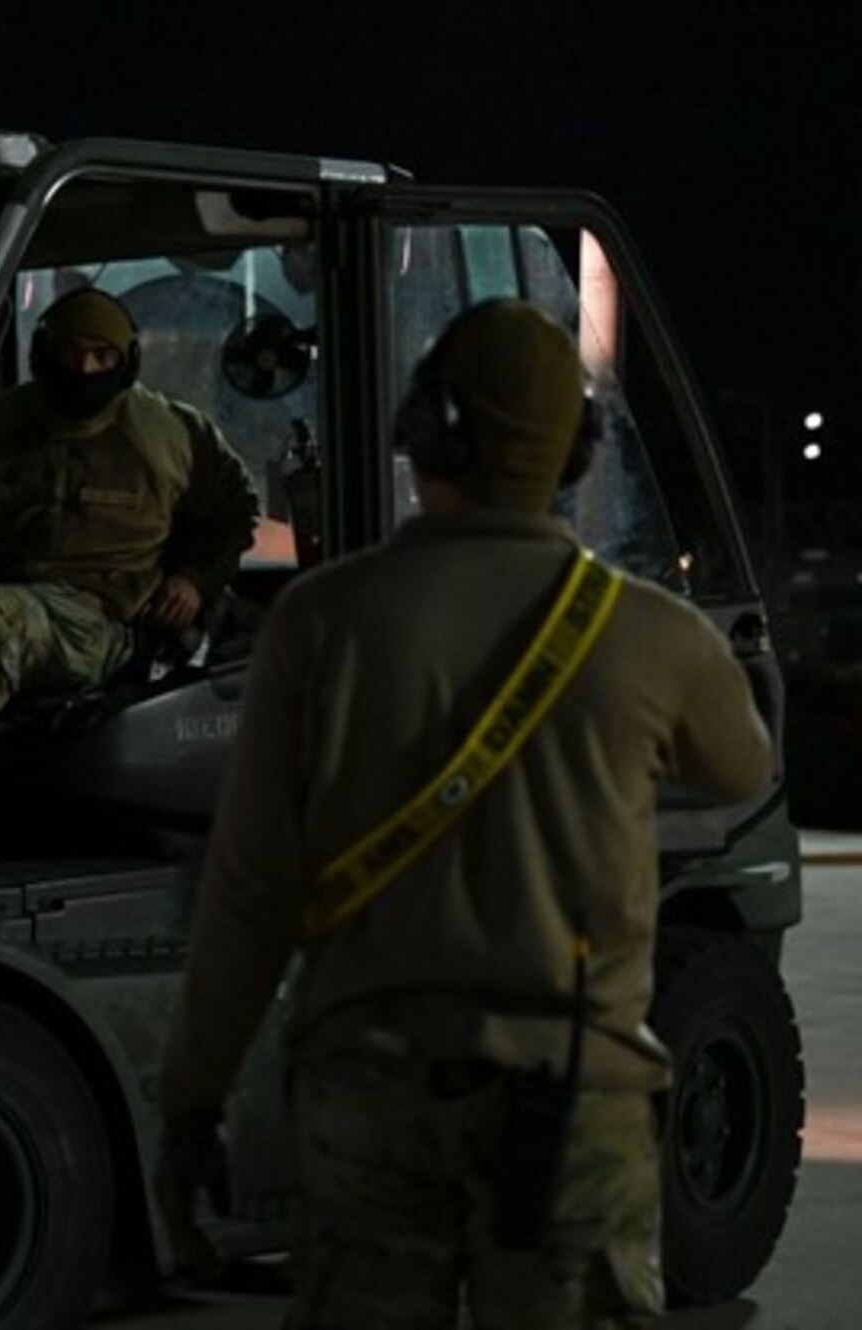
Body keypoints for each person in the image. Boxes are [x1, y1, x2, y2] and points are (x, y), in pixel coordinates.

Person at [154, 299, 773, 1328]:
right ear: (572, 453)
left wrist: (191, 1098)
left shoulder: (319, 620)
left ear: (425, 430)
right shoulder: (647, 634)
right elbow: (738, 768)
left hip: (369, 1100)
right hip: (571, 1100)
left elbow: (249, 888)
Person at [0, 286, 259, 808]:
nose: (84, 369)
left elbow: (234, 512)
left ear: (125, 361)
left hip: (105, 622)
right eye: (70, 353)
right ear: (44, 355)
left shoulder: (170, 435)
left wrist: (194, 579)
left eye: (102, 355)